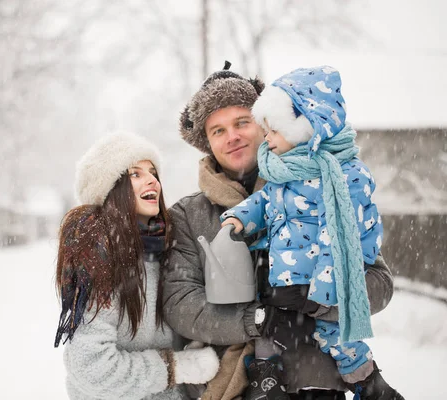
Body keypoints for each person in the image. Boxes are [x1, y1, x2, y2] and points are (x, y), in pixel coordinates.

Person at [163, 61, 396, 400]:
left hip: (314, 380)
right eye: (218, 130)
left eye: (242, 122)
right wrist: (258, 319)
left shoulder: (322, 185)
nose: (233, 136)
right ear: (207, 143)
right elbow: (180, 303)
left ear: (265, 125)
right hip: (227, 385)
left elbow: (378, 283)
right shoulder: (187, 214)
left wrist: (315, 303)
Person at [54, 132, 220, 400]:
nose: (152, 179)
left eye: (153, 172)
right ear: (109, 189)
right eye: (135, 174)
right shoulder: (100, 259)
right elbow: (92, 367)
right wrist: (175, 368)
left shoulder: (166, 248)